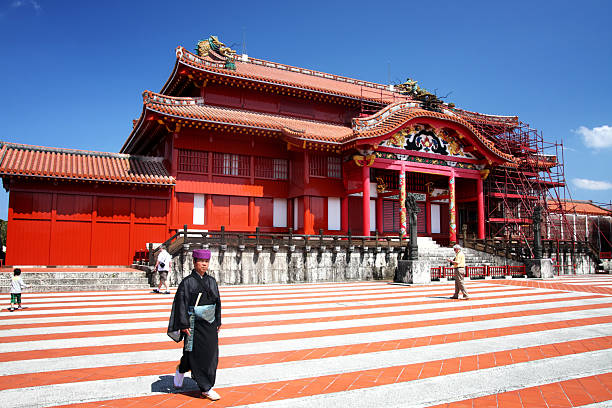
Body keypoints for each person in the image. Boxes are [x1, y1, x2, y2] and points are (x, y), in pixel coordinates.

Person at [167, 249, 222, 401]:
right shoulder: (187, 282)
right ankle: (206, 388)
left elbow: (217, 302)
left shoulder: (211, 281)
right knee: (193, 353)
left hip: (209, 323)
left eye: (207, 262)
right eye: (201, 261)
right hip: (193, 324)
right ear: (194, 262)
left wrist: (218, 320)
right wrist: (183, 324)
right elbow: (181, 304)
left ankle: (182, 368)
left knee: (211, 355)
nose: (204, 264)